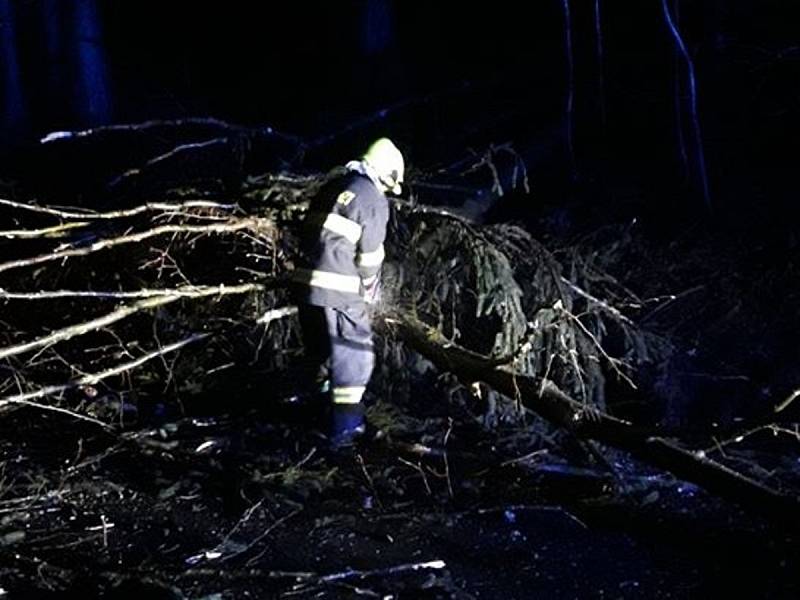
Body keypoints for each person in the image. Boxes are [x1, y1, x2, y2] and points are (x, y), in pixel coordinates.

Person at [292, 138, 404, 447]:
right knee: (355, 359)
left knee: (321, 354)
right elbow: (369, 259)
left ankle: (312, 415)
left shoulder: (333, 187)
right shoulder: (371, 198)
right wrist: (370, 292)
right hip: (338, 290)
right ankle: (345, 430)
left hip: (305, 285)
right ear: (386, 174)